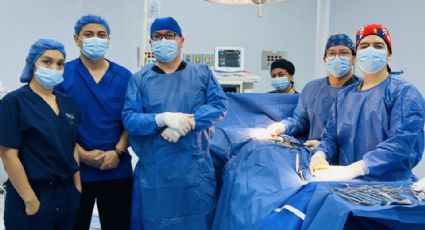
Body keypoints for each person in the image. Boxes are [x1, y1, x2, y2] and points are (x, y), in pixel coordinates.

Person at [122, 17, 228, 230]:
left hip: (195, 173)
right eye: (157, 37)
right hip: (156, 175)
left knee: (198, 222)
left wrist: (186, 123)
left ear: (181, 40)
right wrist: (161, 119)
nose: (164, 40)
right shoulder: (140, 80)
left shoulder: (202, 74)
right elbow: (130, 119)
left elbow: (219, 106)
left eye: (169, 35)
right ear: (151, 44)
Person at [310, 24, 425, 182]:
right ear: (356, 57)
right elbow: (331, 138)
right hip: (348, 185)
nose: (371, 50)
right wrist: (321, 154)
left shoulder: (404, 93)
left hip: (390, 187)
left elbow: (401, 144)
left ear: (389, 55)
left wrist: (357, 168)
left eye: (378, 46)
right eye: (364, 46)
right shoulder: (345, 96)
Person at [55, 15, 132, 230]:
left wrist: (117, 152)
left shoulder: (124, 77)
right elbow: (56, 124)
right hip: (75, 170)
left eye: (101, 35)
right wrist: (82, 155)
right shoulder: (62, 75)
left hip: (116, 169)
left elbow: (131, 120)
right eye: (88, 34)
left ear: (108, 39)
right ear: (76, 39)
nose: (95, 39)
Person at [0, 39, 81, 229]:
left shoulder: (68, 104)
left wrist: (77, 187)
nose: (54, 67)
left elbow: (72, 146)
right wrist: (29, 199)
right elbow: (7, 154)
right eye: (47, 61)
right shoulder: (14, 102)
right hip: (32, 193)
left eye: (60, 64)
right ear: (32, 63)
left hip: (66, 192)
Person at [267, 34, 359, 149]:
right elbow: (301, 121)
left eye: (343, 53)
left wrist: (327, 147)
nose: (337, 57)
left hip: (350, 158)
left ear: (354, 59)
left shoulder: (363, 89)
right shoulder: (312, 89)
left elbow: (365, 133)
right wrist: (283, 126)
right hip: (312, 153)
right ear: (325, 59)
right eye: (331, 53)